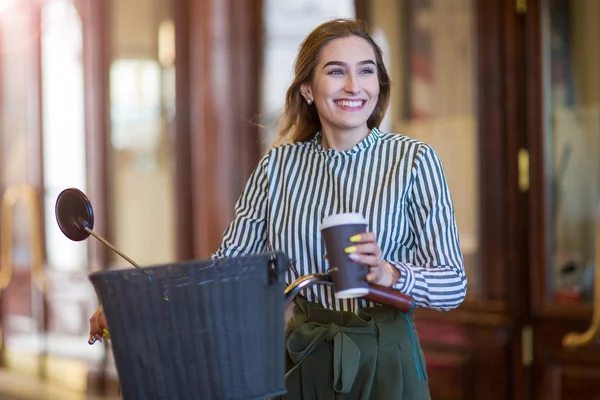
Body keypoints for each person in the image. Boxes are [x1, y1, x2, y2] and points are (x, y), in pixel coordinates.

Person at [89, 18, 467, 399]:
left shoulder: (414, 160)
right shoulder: (278, 167)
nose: (354, 86)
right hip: (302, 358)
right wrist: (139, 307)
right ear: (307, 88)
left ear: (378, 84)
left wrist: (390, 273)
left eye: (366, 71)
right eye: (336, 71)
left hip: (387, 361)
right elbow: (227, 270)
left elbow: (453, 284)